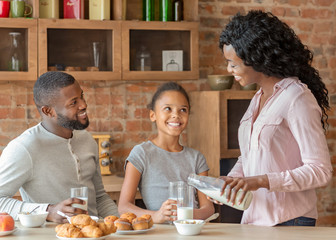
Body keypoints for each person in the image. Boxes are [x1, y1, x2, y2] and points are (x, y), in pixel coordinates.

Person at [214, 10, 333, 226]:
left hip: (290, 221)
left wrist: (261, 181)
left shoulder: (297, 97)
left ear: (257, 59)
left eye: (234, 63)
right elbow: (250, 156)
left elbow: (320, 171)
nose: (229, 69)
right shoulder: (257, 99)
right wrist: (232, 181)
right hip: (255, 221)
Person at [0, 71, 118, 223]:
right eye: (73, 102)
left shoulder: (87, 140)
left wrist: (119, 225)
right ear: (48, 111)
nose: (84, 105)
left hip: (94, 234)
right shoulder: (24, 148)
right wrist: (48, 211)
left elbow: (100, 197)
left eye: (82, 96)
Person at [118, 82, 215, 223]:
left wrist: (187, 215)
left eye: (183, 110)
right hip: (159, 233)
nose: (176, 115)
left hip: (192, 232)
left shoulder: (197, 158)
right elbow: (123, 207)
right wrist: (157, 216)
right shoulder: (141, 154)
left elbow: (208, 208)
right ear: (153, 115)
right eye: (168, 109)